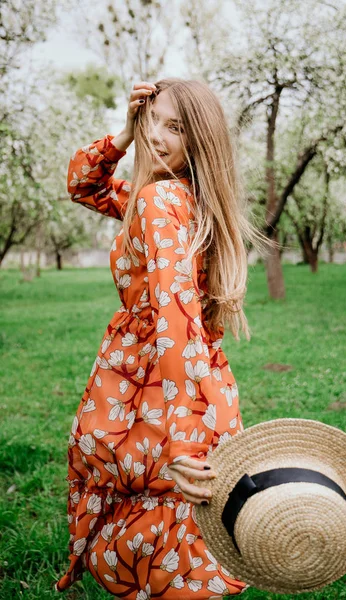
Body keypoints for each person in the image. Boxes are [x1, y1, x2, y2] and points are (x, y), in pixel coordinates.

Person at [55, 78, 273, 599]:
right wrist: (127, 134)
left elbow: (175, 318)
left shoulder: (158, 200)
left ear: (199, 141)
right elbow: (83, 183)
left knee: (160, 510)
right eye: (155, 118)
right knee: (181, 527)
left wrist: (181, 439)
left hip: (152, 385)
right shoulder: (182, 198)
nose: (158, 135)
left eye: (175, 127)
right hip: (198, 377)